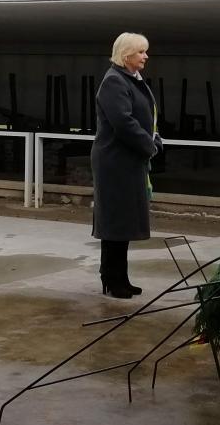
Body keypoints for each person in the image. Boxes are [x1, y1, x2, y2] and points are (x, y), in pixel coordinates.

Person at [91, 33, 162, 298]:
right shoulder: (114, 81)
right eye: (141, 52)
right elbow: (123, 122)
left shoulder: (129, 79)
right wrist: (149, 145)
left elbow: (144, 118)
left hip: (128, 161)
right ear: (126, 55)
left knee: (123, 222)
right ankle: (111, 279)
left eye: (145, 51)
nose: (145, 56)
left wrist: (154, 138)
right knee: (116, 223)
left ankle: (120, 277)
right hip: (115, 163)